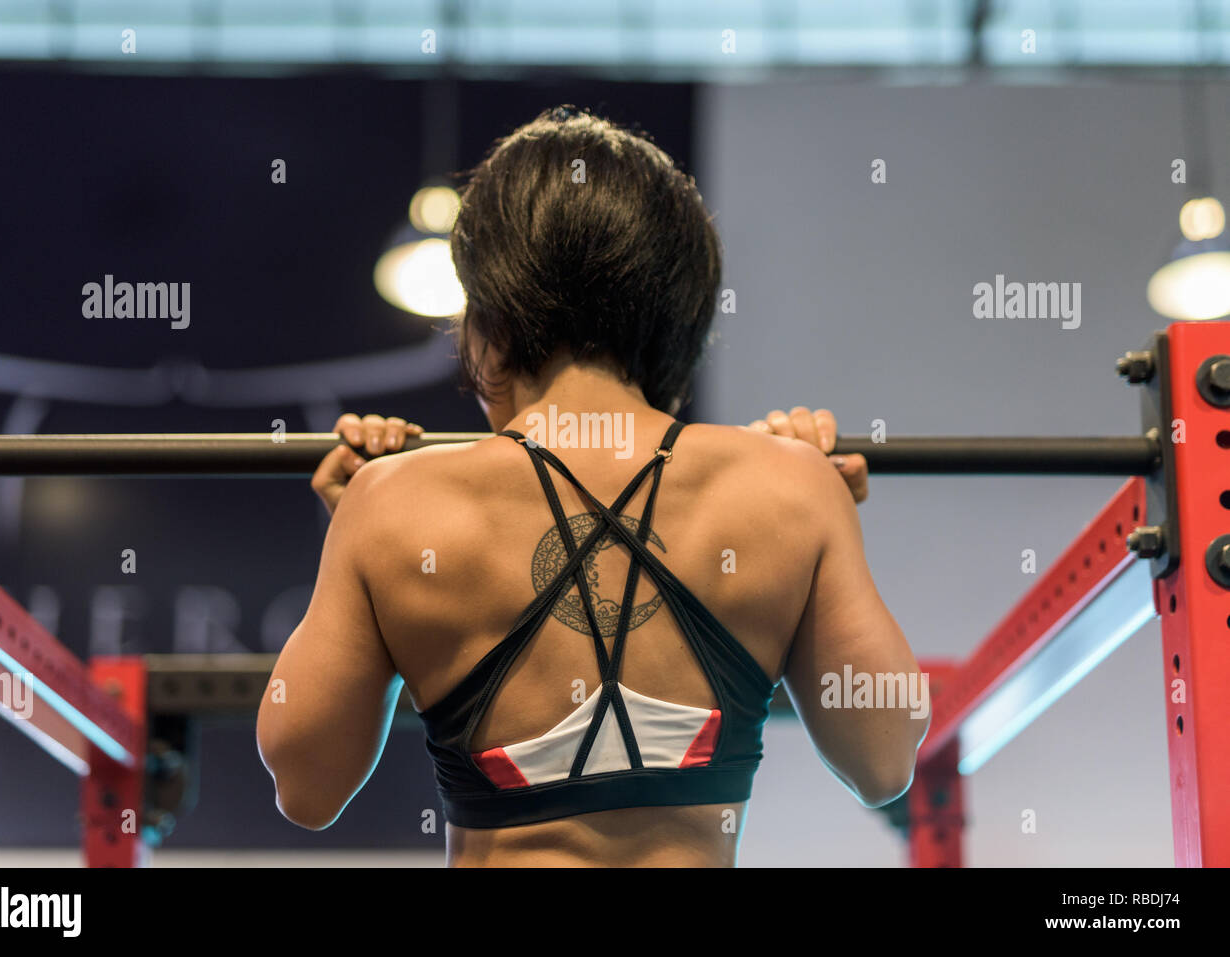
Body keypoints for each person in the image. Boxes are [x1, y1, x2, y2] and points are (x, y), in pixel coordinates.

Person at [256, 106, 927, 867]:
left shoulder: (395, 502)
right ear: (683, 314)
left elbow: (304, 786)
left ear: (489, 316)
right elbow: (886, 758)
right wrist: (823, 509)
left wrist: (362, 538)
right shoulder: (789, 487)